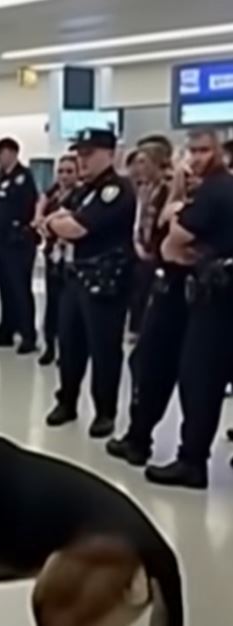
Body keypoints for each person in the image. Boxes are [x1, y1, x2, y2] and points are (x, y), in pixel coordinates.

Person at [142, 128, 233, 489]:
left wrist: (177, 207)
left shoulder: (213, 190)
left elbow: (172, 243)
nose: (196, 158)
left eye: (204, 150)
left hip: (216, 302)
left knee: (200, 382)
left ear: (219, 152)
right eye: (192, 150)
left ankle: (191, 462)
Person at [43, 129, 136, 439]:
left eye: (90, 153)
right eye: (80, 153)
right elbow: (58, 217)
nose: (83, 160)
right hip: (75, 278)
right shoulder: (85, 191)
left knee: (104, 349)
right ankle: (66, 401)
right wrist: (58, 222)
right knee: (69, 344)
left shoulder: (116, 190)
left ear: (110, 154)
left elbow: (75, 228)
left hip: (105, 282)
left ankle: (104, 412)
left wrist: (56, 223)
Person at [106, 158, 192, 470]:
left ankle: (181, 453)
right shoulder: (153, 193)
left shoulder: (183, 195)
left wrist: (177, 202)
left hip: (186, 288)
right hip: (162, 279)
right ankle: (138, 436)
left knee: (178, 372)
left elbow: (173, 239)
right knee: (145, 363)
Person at [0, 137, 39, 353]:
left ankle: (28, 335)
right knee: (6, 288)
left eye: (1, 152)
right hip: (2, 240)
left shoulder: (22, 177)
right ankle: (6, 330)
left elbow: (26, 207)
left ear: (12, 153)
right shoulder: (0, 177)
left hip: (18, 242)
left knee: (20, 288)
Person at [33, 155, 80, 366]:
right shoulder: (52, 197)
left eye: (69, 171)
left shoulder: (81, 196)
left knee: (67, 308)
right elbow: (40, 222)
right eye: (61, 171)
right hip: (52, 255)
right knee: (51, 305)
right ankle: (49, 345)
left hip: (72, 258)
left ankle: (66, 350)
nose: (64, 176)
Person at [128, 137, 174, 338]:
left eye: (143, 162)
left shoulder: (167, 189)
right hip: (141, 249)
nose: (139, 167)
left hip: (160, 253)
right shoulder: (144, 188)